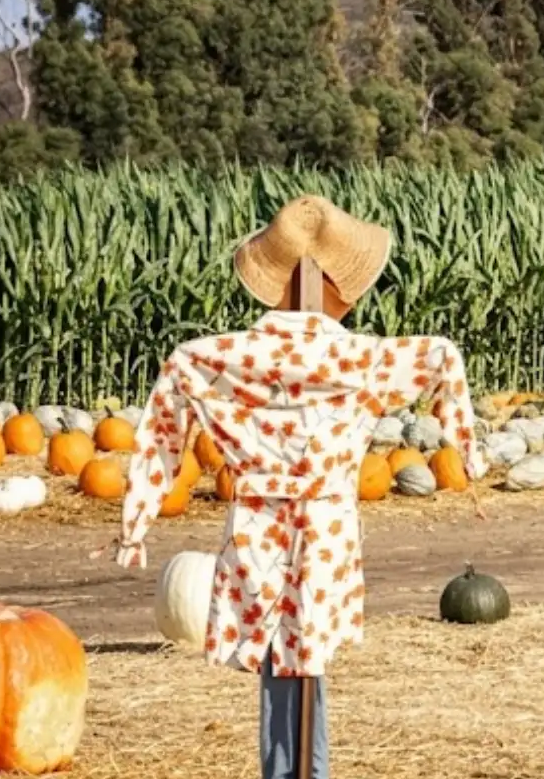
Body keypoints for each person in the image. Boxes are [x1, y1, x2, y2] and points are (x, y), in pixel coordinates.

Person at [97, 195, 481, 779]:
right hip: (325, 526)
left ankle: (287, 769)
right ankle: (308, 770)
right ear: (338, 283)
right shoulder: (364, 358)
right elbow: (443, 358)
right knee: (308, 657)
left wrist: (139, 519)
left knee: (282, 660)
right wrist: (467, 455)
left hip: (257, 525)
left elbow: (165, 412)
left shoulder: (217, 358)